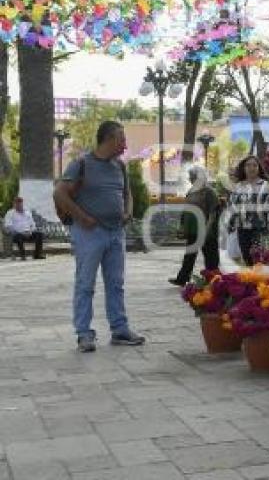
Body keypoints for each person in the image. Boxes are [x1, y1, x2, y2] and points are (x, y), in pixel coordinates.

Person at [53, 121, 146, 353]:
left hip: (116, 233)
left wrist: (128, 211)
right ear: (109, 139)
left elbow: (127, 194)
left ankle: (120, 330)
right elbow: (59, 193)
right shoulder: (81, 164)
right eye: (122, 140)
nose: (125, 145)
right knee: (85, 284)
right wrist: (82, 217)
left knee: (116, 284)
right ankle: (84, 334)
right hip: (89, 234)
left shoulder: (120, 167)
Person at [169, 166, 221, 286]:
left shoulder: (209, 192)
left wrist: (207, 229)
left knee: (211, 257)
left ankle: (214, 281)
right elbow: (186, 210)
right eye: (190, 177)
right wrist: (182, 226)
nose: (190, 179)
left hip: (206, 230)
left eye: (193, 176)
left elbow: (213, 212)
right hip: (192, 230)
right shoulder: (191, 191)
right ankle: (182, 279)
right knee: (189, 256)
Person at [227, 155, 269, 265]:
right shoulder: (238, 186)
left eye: (254, 165)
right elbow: (232, 207)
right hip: (242, 228)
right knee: (246, 258)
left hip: (259, 228)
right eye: (248, 165)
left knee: (258, 258)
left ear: (259, 168)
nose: (251, 168)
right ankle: (251, 280)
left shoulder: (265, 185)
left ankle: (258, 280)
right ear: (244, 168)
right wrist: (230, 226)